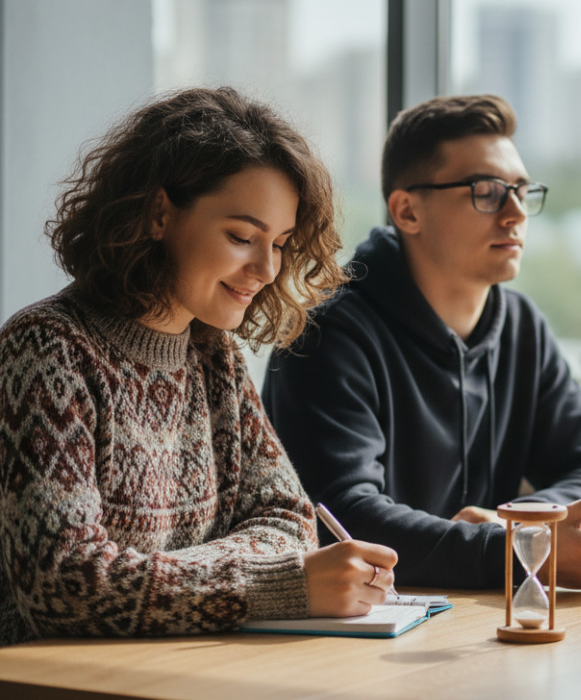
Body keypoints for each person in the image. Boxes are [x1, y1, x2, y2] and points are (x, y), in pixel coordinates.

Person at [0, 87, 398, 647]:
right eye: (242, 236)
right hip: (57, 681)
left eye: (279, 244)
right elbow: (63, 586)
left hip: (183, 667)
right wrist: (274, 583)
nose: (266, 269)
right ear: (159, 214)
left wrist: (158, 578)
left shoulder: (215, 357)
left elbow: (289, 521)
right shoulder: (47, 349)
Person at [262, 94, 581, 590]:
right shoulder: (325, 335)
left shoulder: (520, 327)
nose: (516, 213)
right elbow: (342, 517)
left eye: (522, 191)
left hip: (473, 619)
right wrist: (511, 550)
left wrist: (521, 524)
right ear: (407, 211)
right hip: (366, 623)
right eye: (487, 192)